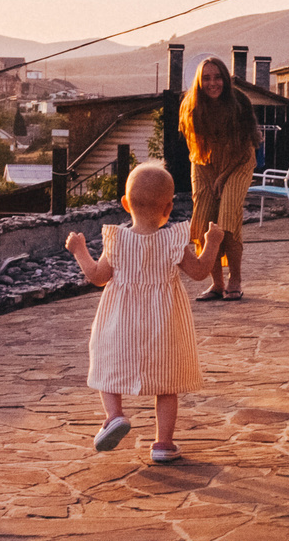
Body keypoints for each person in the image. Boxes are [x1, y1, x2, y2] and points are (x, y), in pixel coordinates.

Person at [65, 161, 224, 463]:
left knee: (107, 368)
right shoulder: (174, 239)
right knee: (166, 384)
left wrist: (79, 251)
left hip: (120, 322)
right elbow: (201, 272)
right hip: (164, 323)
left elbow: (98, 276)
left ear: (125, 204)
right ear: (168, 207)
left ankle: (115, 416)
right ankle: (163, 443)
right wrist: (212, 242)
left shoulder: (118, 240)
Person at [179, 55, 258, 301]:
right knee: (204, 222)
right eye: (207, 78)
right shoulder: (191, 105)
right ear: (199, 81)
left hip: (238, 161)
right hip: (204, 164)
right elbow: (196, 148)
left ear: (225, 78)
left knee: (227, 218)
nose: (213, 83)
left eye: (217, 77)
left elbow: (244, 145)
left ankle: (235, 280)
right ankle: (217, 284)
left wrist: (223, 178)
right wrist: (211, 177)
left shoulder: (240, 102)